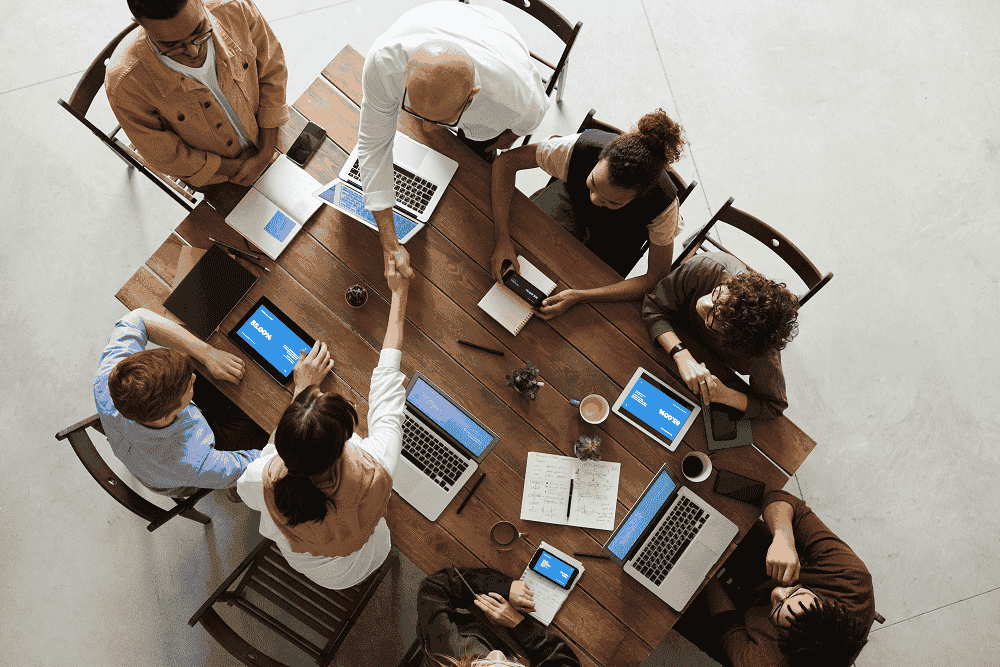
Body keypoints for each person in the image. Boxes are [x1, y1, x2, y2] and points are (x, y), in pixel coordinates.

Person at [237, 258, 410, 589]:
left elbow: (259, 472)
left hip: (312, 565)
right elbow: (388, 385)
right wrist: (400, 293)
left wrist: (301, 390)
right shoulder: (376, 466)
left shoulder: (261, 477)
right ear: (345, 441)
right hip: (362, 559)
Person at [358, 0, 550, 282]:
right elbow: (373, 145)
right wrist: (389, 240)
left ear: (472, 96)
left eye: (439, 120)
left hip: (496, 47)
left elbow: (515, 133)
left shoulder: (518, 100)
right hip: (448, 25)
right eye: (414, 111)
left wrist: (503, 139)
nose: (425, 129)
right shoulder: (383, 63)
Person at [491, 109, 687, 318]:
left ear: (639, 196)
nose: (594, 199)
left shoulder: (663, 207)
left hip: (619, 239)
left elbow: (656, 276)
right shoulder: (577, 149)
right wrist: (501, 237)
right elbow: (505, 163)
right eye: (593, 183)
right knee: (527, 248)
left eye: (612, 201)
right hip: (569, 202)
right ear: (601, 157)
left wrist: (581, 296)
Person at [671, 491, 875, 667]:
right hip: (767, 566)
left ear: (781, 639)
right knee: (724, 516)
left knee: (673, 605)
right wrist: (783, 537)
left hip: (740, 622)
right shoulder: (850, 578)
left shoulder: (763, 662)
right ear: (824, 600)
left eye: (778, 608)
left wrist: (705, 570)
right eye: (796, 592)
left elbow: (727, 624)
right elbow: (781, 499)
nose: (778, 592)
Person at [106, 0, 289, 188]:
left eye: (199, 30)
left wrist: (266, 152)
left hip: (271, 134)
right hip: (218, 179)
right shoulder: (124, 84)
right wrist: (235, 168)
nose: (194, 51)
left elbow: (272, 70)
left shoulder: (234, 7)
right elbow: (165, 155)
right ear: (138, 22)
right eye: (172, 46)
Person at [95, 308, 266, 497]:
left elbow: (138, 317)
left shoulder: (112, 377)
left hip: (143, 446)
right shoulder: (195, 463)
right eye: (189, 386)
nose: (193, 377)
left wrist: (207, 353)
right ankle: (233, 489)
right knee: (264, 429)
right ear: (170, 413)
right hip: (179, 475)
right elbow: (262, 465)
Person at [641, 252, 799, 421]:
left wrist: (724, 395)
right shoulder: (706, 267)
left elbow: (773, 406)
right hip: (662, 342)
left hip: (708, 377)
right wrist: (682, 356)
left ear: (733, 340)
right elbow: (654, 306)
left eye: (714, 317)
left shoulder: (761, 352)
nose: (705, 303)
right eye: (718, 296)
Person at [417, 566, 581, 667]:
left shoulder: (446, 652)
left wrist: (503, 586)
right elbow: (564, 662)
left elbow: (433, 589)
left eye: (483, 665)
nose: (497, 654)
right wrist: (517, 623)